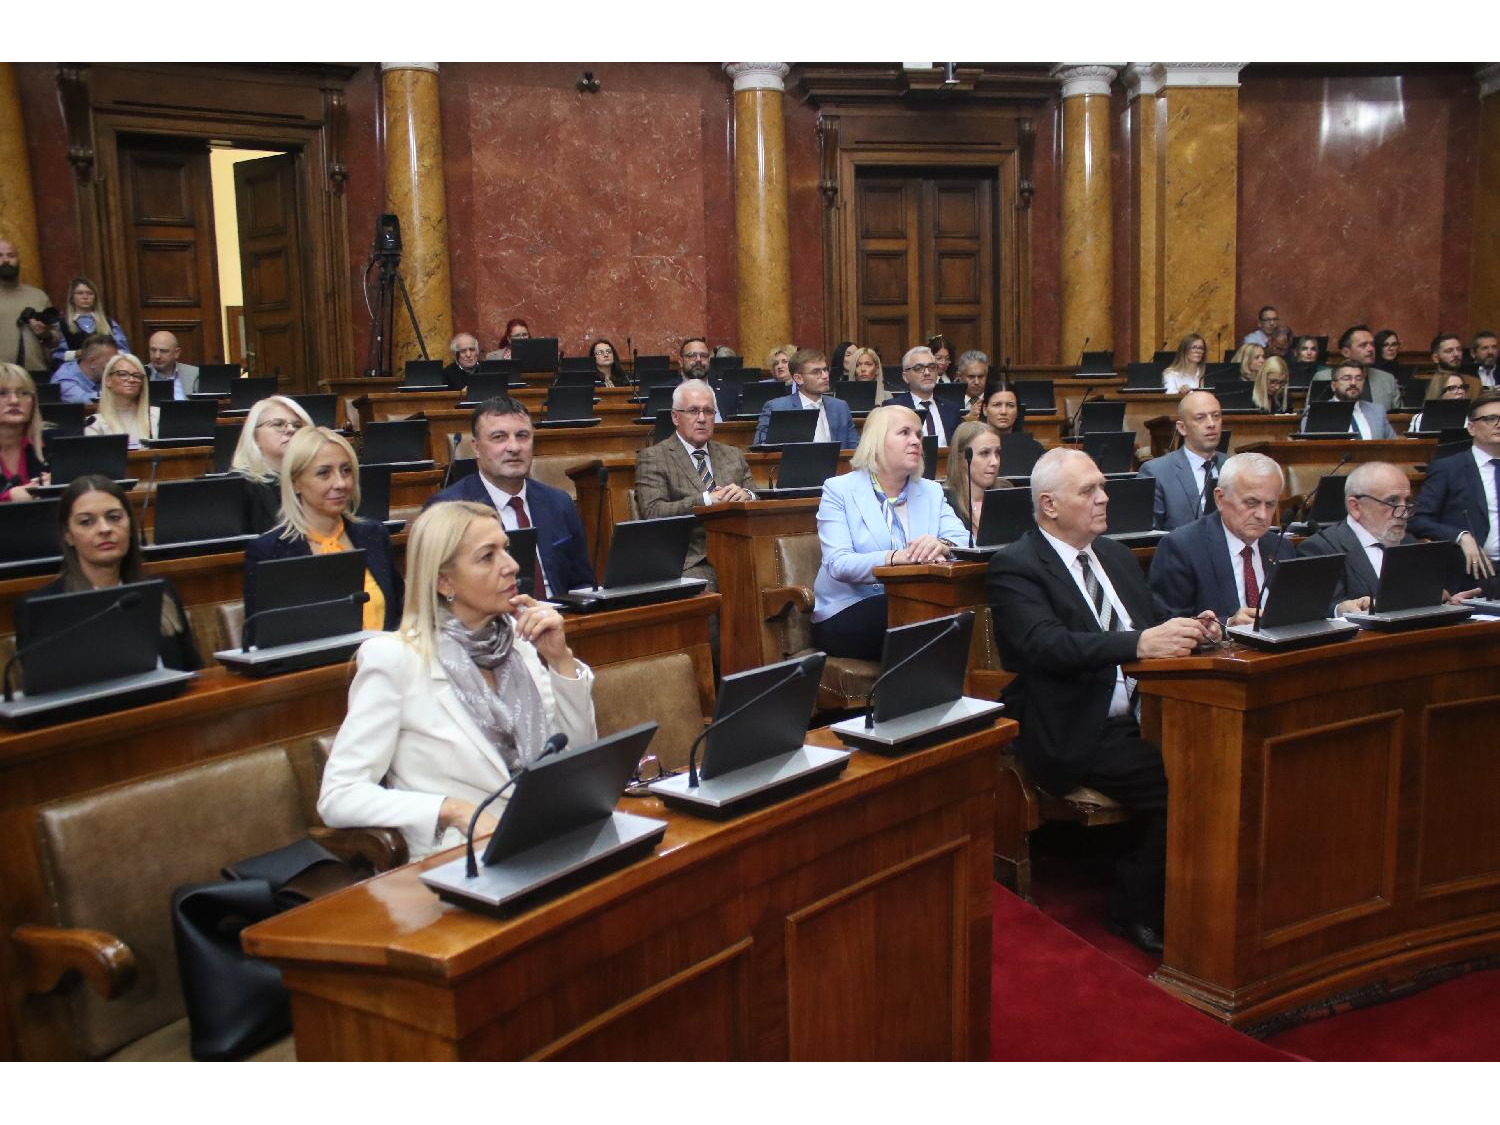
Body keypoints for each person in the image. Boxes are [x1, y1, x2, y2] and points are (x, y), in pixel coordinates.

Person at [987, 447, 1215, 952]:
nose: (1104, 498)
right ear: (1049, 504)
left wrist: (1192, 629)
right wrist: (1138, 644)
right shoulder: (1016, 565)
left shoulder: (1114, 555)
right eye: (1089, 490)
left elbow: (1148, 626)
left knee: (1224, 757)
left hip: (1151, 710)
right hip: (1077, 725)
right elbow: (1045, 645)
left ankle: (1209, 897)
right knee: (1187, 781)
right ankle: (1134, 906)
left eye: (1102, 487)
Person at [317, 500, 596, 860]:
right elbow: (339, 796)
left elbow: (580, 758)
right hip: (459, 860)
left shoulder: (520, 643)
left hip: (549, 839)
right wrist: (451, 810)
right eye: (487, 557)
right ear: (444, 581)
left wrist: (560, 659)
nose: (511, 566)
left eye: (506, 549)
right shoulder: (395, 659)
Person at [811, 404, 967, 660]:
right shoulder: (839, 490)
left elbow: (962, 540)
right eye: (905, 433)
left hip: (914, 602)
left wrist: (942, 545)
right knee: (917, 614)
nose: (916, 441)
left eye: (918, 434)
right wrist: (896, 557)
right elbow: (838, 563)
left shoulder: (931, 490)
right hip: (848, 611)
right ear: (876, 442)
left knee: (943, 612)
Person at [16, 475, 200, 670]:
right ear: (67, 535)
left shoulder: (161, 591)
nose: (105, 529)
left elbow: (192, 672)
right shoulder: (41, 610)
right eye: (86, 522)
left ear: (130, 525)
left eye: (114, 517)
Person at [424, 396, 595, 597]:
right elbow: (438, 596)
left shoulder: (559, 502)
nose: (514, 447)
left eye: (522, 436)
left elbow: (582, 583)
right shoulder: (447, 508)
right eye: (499, 437)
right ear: (476, 447)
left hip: (560, 613)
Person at [243, 426, 404, 630]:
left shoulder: (374, 534)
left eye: (346, 470)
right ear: (295, 482)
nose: (340, 483)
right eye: (324, 473)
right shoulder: (267, 551)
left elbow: (399, 612)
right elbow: (261, 634)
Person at [633, 379, 754, 592]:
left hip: (739, 548)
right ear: (675, 417)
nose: (702, 419)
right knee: (711, 585)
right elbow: (652, 512)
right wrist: (706, 500)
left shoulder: (732, 454)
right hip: (691, 558)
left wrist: (747, 495)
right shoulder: (653, 457)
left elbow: (759, 496)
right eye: (693, 411)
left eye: (708, 411)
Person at [1298, 461, 1460, 614]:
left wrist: (1441, 598)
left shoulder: (1411, 543)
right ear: (1355, 507)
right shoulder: (1321, 548)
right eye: (1392, 502)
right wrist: (1340, 609)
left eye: (1407, 501)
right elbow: (1319, 609)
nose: (1403, 513)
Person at [1149, 451, 1287, 625]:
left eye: (1270, 504)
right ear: (1220, 499)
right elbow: (1166, 624)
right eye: (1251, 503)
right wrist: (1227, 625)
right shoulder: (1182, 548)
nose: (1262, 515)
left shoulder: (1281, 548)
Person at [1409, 391, 1500, 597]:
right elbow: (1417, 520)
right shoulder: (1449, 468)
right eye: (1490, 419)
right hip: (1472, 572)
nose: (1498, 424)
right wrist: (1460, 536)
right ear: (1471, 427)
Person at [1137, 390, 1227, 531]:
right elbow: (1150, 534)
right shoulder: (1156, 472)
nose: (1211, 424)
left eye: (1216, 416)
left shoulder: (1235, 466)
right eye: (1200, 418)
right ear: (1182, 428)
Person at [230, 395, 315, 532]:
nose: (291, 430)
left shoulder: (316, 480)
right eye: (278, 424)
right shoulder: (239, 486)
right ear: (254, 437)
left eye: (298, 426)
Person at [754, 348, 859, 449]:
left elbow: (855, 448)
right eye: (816, 372)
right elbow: (760, 449)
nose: (825, 376)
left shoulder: (840, 407)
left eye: (825, 370)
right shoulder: (777, 408)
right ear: (798, 378)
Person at [0, 239, 60, 372]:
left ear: (18, 260)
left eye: (11, 255)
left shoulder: (38, 296)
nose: (6, 260)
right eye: (0, 256)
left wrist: (45, 334)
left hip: (36, 372)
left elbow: (56, 339)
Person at [1300, 360, 1397, 439]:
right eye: (1346, 378)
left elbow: (1393, 446)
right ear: (1333, 385)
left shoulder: (1377, 411)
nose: (1353, 383)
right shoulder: (1317, 412)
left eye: (1358, 378)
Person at [1311, 324, 1400, 410]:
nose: (1371, 349)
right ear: (1346, 352)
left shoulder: (1387, 379)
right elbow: (1312, 415)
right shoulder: (1323, 377)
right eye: (1363, 345)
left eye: (1372, 344)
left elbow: (1400, 417)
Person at [943, 420, 1009, 534]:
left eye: (997, 453)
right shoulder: (943, 500)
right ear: (961, 458)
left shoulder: (1006, 493)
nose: (995, 462)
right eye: (984, 453)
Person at [889, 345, 961, 446]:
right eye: (918, 368)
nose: (927, 373)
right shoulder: (893, 409)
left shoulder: (951, 409)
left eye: (932, 367)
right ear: (905, 377)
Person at [84, 353, 158, 448]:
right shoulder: (94, 423)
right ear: (108, 380)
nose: (131, 379)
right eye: (123, 374)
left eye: (137, 376)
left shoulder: (157, 416)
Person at [52, 277, 129, 367]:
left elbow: (124, 352)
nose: (85, 297)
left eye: (90, 293)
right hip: (75, 371)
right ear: (72, 298)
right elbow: (57, 355)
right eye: (80, 293)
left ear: (95, 298)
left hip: (106, 369)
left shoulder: (109, 323)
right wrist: (78, 353)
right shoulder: (63, 324)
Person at [0, 363, 49, 501]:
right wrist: (8, 498)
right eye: (2, 393)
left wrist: (58, 484)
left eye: (23, 393)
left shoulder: (54, 443)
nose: (14, 401)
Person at [979, 380, 1044, 468]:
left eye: (1010, 405)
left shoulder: (1033, 448)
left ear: (1017, 411)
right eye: (997, 405)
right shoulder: (973, 445)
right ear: (985, 409)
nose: (1003, 411)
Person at [50, 333, 117, 405]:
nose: (115, 366)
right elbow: (82, 400)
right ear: (92, 361)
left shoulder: (103, 375)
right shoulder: (64, 380)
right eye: (110, 361)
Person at [146, 331, 200, 398]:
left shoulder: (195, 374)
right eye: (153, 350)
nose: (157, 356)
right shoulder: (140, 375)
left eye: (164, 351)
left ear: (177, 353)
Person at [954, 350, 990, 414]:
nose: (977, 382)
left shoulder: (995, 401)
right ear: (959, 376)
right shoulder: (949, 403)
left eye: (981, 376)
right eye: (971, 377)